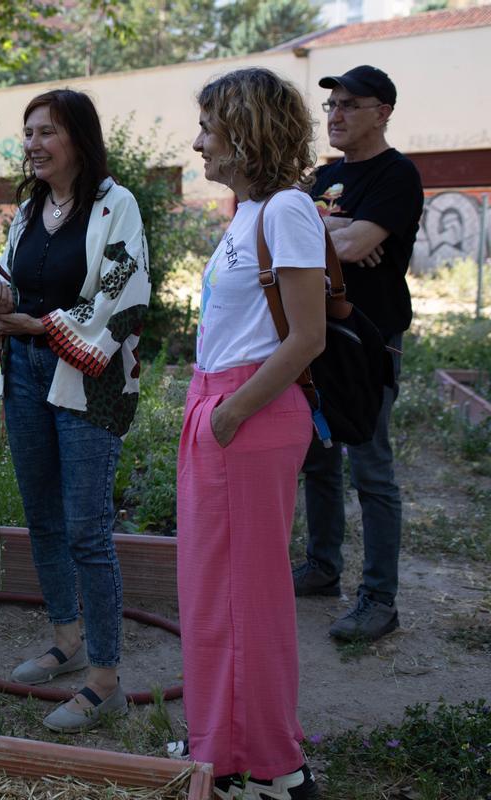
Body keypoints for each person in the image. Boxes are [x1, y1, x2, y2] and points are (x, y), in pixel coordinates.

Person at [0, 89, 149, 732]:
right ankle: (65, 639)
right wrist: (0, 298)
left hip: (86, 377)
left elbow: (120, 295)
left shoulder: (116, 204)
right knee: (43, 518)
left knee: (87, 528)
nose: (34, 144)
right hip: (25, 372)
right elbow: (14, 281)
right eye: (28, 133)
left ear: (78, 137)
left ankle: (105, 681)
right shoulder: (28, 212)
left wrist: (39, 323)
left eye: (46, 131)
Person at [179, 68, 325, 798]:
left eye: (208, 126)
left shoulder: (288, 209)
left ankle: (271, 764)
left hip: (249, 413)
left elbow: (307, 337)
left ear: (243, 130)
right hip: (220, 406)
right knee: (213, 593)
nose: (198, 141)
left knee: (248, 595)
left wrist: (232, 414)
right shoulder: (246, 213)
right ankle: (223, 747)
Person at [295, 65, 423, 643]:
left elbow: (343, 243)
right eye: (332, 105)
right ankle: (323, 568)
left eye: (350, 104)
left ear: (383, 111)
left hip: (371, 340)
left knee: (370, 467)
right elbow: (289, 239)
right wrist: (338, 234)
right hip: (312, 334)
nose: (336, 115)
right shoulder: (322, 175)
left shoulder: (398, 175)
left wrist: (331, 232)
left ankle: (379, 599)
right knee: (318, 457)